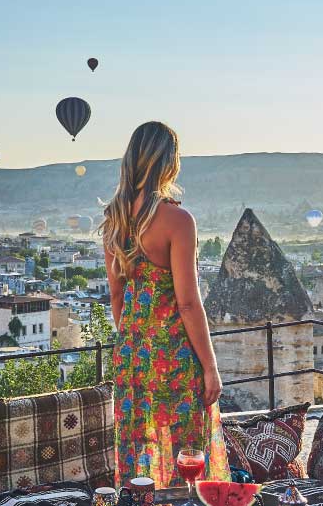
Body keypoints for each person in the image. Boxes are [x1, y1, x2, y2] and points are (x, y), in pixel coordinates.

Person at [101, 121, 228, 487]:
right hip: (174, 353)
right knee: (186, 452)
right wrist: (210, 366)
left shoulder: (114, 220)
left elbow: (116, 295)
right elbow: (188, 303)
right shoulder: (177, 220)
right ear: (169, 162)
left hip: (131, 353)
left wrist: (134, 340)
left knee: (137, 442)